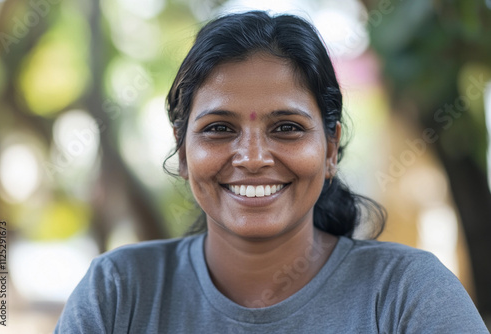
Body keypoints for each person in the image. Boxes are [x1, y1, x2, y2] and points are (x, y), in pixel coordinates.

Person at [55, 11, 489, 333]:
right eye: (219, 129)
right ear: (182, 152)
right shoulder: (117, 294)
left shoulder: (406, 296)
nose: (252, 157)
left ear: (330, 149)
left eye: (286, 128)